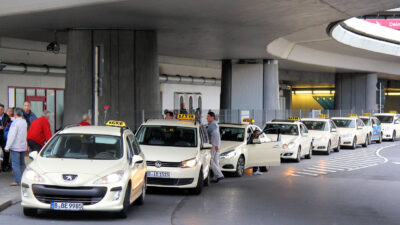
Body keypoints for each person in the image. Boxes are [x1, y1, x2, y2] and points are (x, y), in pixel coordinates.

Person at [4, 108, 28, 186]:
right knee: (22, 163)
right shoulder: (24, 122)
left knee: (15, 164)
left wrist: (7, 146)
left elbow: (11, 136)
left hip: (15, 147)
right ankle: (24, 179)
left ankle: (17, 180)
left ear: (15, 114)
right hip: (23, 146)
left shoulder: (15, 123)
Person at [207, 111, 224, 183]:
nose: (206, 118)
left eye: (208, 117)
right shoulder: (214, 124)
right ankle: (216, 177)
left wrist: (216, 145)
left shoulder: (212, 125)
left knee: (210, 160)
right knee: (215, 161)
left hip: (213, 145)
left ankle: (219, 175)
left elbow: (216, 134)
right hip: (215, 145)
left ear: (212, 117)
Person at [0, 104, 11, 172]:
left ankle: (5, 166)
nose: (0, 110)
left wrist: (5, 128)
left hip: (4, 136)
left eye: (1, 109)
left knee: (6, 152)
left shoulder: (7, 117)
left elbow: (9, 125)